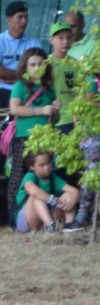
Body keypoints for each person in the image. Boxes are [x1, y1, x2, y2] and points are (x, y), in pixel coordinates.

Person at [6, 47, 59, 225]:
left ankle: (42, 211)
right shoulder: (20, 86)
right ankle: (15, 214)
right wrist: (41, 110)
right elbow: (15, 109)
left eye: (41, 64)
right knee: (18, 176)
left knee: (44, 173)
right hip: (25, 138)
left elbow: (54, 117)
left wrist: (55, 109)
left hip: (45, 138)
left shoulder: (48, 88)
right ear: (25, 68)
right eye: (32, 65)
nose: (37, 68)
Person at [12, 150, 80, 233]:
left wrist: (72, 201)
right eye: (41, 165)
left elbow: (74, 191)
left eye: (48, 163)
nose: (47, 167)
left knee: (69, 195)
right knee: (37, 196)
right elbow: (33, 191)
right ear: (32, 167)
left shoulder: (52, 177)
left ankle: (69, 224)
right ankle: (50, 225)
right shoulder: (30, 176)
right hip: (26, 220)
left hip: (44, 214)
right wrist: (53, 200)